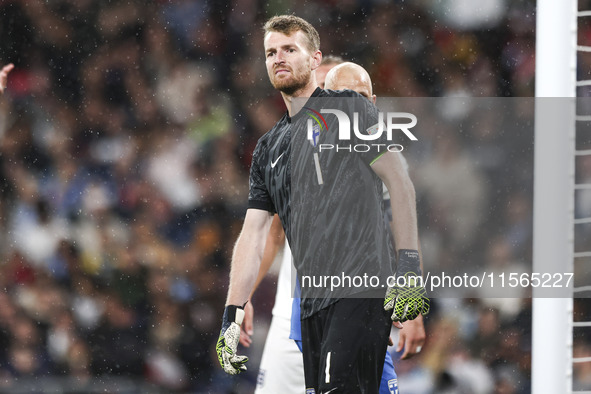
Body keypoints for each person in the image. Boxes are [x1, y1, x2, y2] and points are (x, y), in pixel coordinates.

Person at [217, 15, 428, 393]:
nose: (278, 58)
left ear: (314, 60)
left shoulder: (349, 108)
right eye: (270, 52)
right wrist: (233, 309)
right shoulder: (268, 148)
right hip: (310, 304)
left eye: (289, 49)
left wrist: (410, 271)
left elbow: (400, 184)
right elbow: (255, 233)